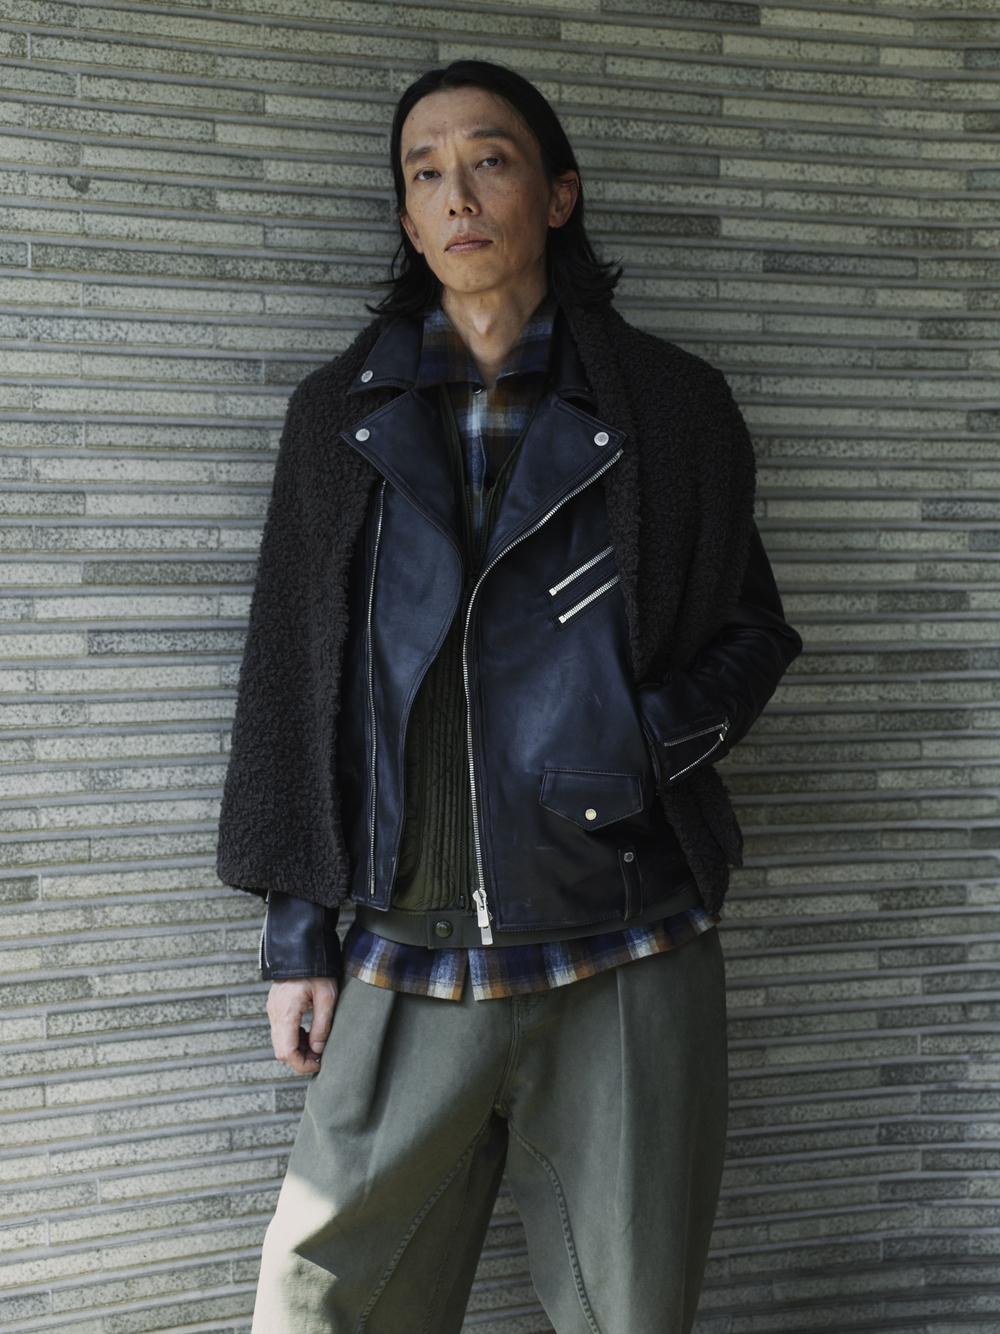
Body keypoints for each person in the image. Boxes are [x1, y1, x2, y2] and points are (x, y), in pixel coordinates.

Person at [217, 58, 802, 1334]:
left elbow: (751, 632)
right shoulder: (337, 417)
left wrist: (640, 741)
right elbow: (291, 682)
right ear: (405, 213)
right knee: (317, 1303)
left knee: (629, 1310)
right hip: (403, 950)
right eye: (424, 172)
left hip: (626, 947)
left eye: (489, 159)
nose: (457, 194)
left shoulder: (673, 410)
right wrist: (296, 934)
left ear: (558, 193)